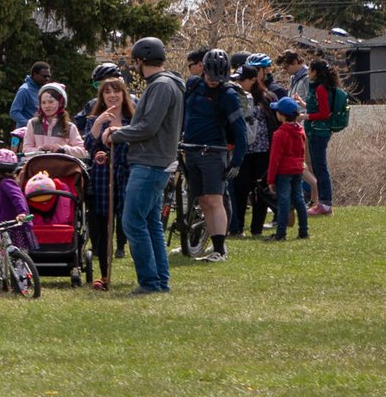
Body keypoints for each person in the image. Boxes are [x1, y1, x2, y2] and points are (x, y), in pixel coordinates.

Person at [106, 37, 182, 294]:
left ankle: (150, 282)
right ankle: (160, 281)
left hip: (150, 164)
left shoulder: (161, 86)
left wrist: (117, 134)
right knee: (150, 223)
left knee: (132, 223)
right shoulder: (165, 84)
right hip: (155, 163)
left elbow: (148, 127)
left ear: (139, 61)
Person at [176, 49, 246, 262]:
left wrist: (237, 160)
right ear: (203, 70)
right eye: (210, 76)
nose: (214, 81)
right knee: (202, 200)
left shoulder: (228, 95)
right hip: (191, 151)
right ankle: (203, 244)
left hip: (214, 153)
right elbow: (182, 115)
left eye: (219, 78)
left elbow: (240, 129)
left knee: (215, 200)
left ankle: (220, 249)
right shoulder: (193, 86)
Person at [83, 70, 133, 291]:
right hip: (103, 179)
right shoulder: (95, 119)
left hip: (127, 176)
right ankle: (103, 275)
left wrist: (119, 131)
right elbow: (88, 148)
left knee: (130, 222)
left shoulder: (133, 119)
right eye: (107, 92)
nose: (112, 96)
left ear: (124, 94)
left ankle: (144, 271)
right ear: (101, 97)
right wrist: (97, 126)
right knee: (102, 228)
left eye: (116, 91)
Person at [229, 62, 276, 240]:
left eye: (242, 80)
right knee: (241, 189)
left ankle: (257, 228)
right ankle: (238, 226)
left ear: (253, 79)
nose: (239, 83)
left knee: (261, 191)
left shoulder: (267, 98)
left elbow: (275, 123)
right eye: (237, 80)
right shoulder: (235, 97)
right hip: (244, 152)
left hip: (263, 152)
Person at [305, 59, 348, 214]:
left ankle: (325, 204)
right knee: (318, 166)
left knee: (320, 167)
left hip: (319, 132)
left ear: (316, 72)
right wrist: (304, 105)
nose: (308, 73)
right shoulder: (321, 88)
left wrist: (304, 117)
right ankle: (323, 203)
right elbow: (319, 107)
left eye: (310, 70)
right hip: (317, 131)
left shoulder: (321, 89)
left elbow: (323, 113)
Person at [267, 97, 311, 241]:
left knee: (284, 201)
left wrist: (271, 179)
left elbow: (275, 159)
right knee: (299, 199)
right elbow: (302, 152)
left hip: (283, 171)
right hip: (297, 169)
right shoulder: (300, 131)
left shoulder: (279, 134)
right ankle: (304, 231)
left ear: (282, 115)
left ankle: (281, 232)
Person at [15, 82, 85, 157]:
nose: (47, 106)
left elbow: (83, 151)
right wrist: (38, 150)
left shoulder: (70, 127)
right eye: (43, 103)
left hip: (61, 167)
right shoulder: (32, 123)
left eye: (51, 102)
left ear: (61, 103)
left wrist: (63, 149)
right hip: (38, 166)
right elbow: (26, 149)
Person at [9, 61, 52, 130]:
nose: (47, 79)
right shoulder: (24, 90)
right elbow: (14, 112)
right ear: (35, 74)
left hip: (41, 133)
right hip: (25, 134)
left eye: (48, 76)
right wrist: (29, 125)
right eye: (44, 76)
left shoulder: (44, 90)